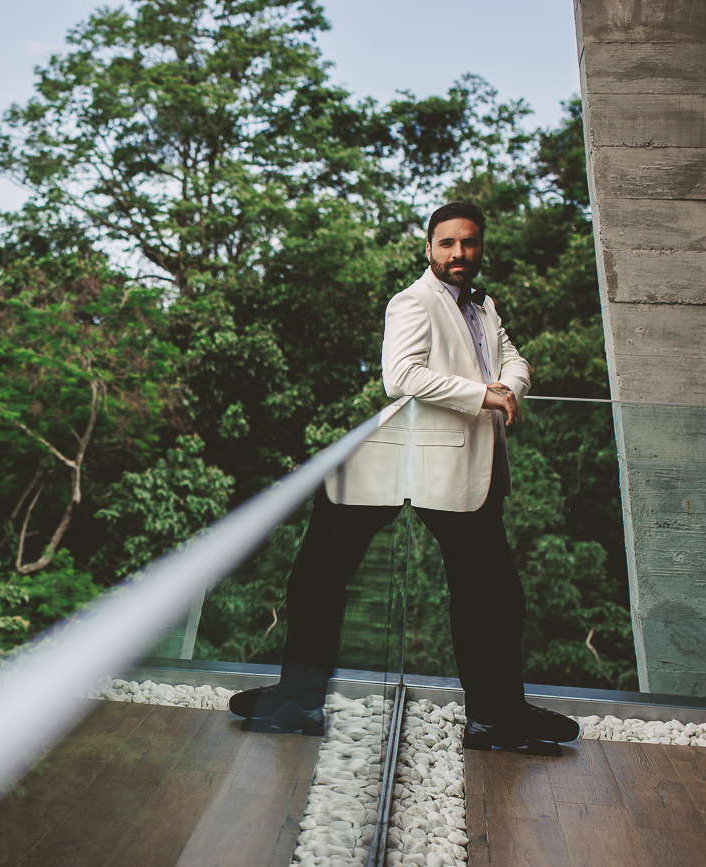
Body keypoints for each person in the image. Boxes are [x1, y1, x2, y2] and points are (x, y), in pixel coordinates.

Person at [229, 202, 580, 756]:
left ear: (480, 246)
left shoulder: (483, 305)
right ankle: (297, 701)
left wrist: (508, 387)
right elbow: (401, 376)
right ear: (429, 249)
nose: (458, 253)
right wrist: (482, 394)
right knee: (318, 576)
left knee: (496, 598)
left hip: (458, 469)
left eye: (468, 243)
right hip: (389, 462)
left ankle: (497, 715)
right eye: (447, 244)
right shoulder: (412, 300)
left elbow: (514, 359)